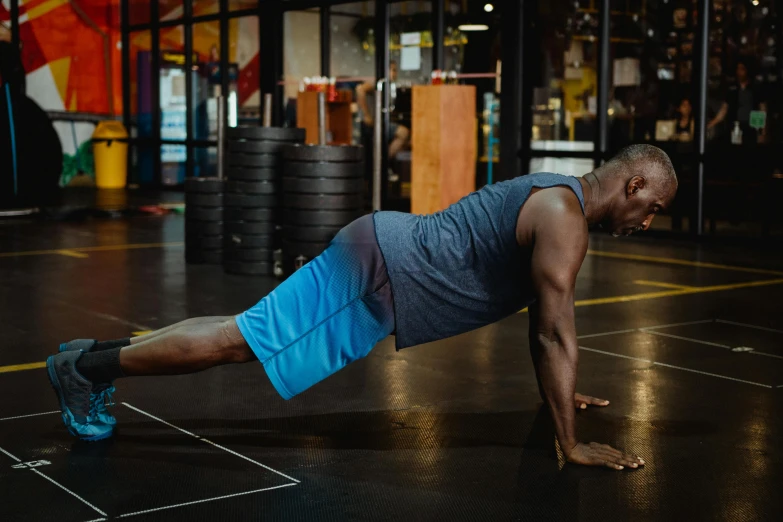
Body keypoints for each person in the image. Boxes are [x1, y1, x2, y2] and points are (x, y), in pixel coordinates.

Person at [47, 144, 677, 471]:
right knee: (242, 341)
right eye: (650, 207)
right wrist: (572, 441)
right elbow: (553, 336)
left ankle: (90, 360)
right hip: (379, 274)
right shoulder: (565, 218)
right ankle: (87, 372)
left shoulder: (556, 194)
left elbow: (546, 325)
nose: (646, 222)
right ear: (633, 185)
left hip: (380, 254)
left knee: (245, 333)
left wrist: (561, 396)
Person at [356, 60, 410, 159]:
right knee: (403, 133)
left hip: (381, 123)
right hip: (371, 125)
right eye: (392, 70)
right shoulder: (378, 82)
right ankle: (383, 160)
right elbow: (360, 89)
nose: (394, 73)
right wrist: (366, 115)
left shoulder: (389, 86)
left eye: (395, 70)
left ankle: (384, 162)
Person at [708, 59, 768, 144]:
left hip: (751, 128)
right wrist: (712, 123)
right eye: (738, 69)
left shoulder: (756, 88)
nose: (739, 72)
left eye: (742, 69)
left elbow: (762, 110)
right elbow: (724, 109)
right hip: (734, 127)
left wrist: (763, 132)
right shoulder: (732, 88)